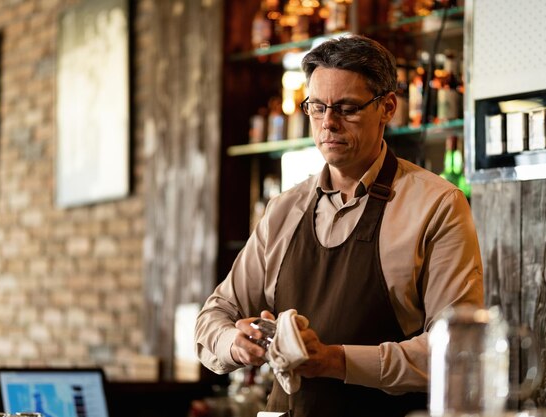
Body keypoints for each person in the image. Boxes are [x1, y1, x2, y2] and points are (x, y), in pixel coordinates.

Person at [195, 34, 484, 417]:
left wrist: (334, 361)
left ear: (388, 108)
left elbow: (456, 351)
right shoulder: (283, 210)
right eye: (317, 107)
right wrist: (236, 342)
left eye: (347, 108)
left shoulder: (436, 206)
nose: (328, 123)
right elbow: (212, 317)